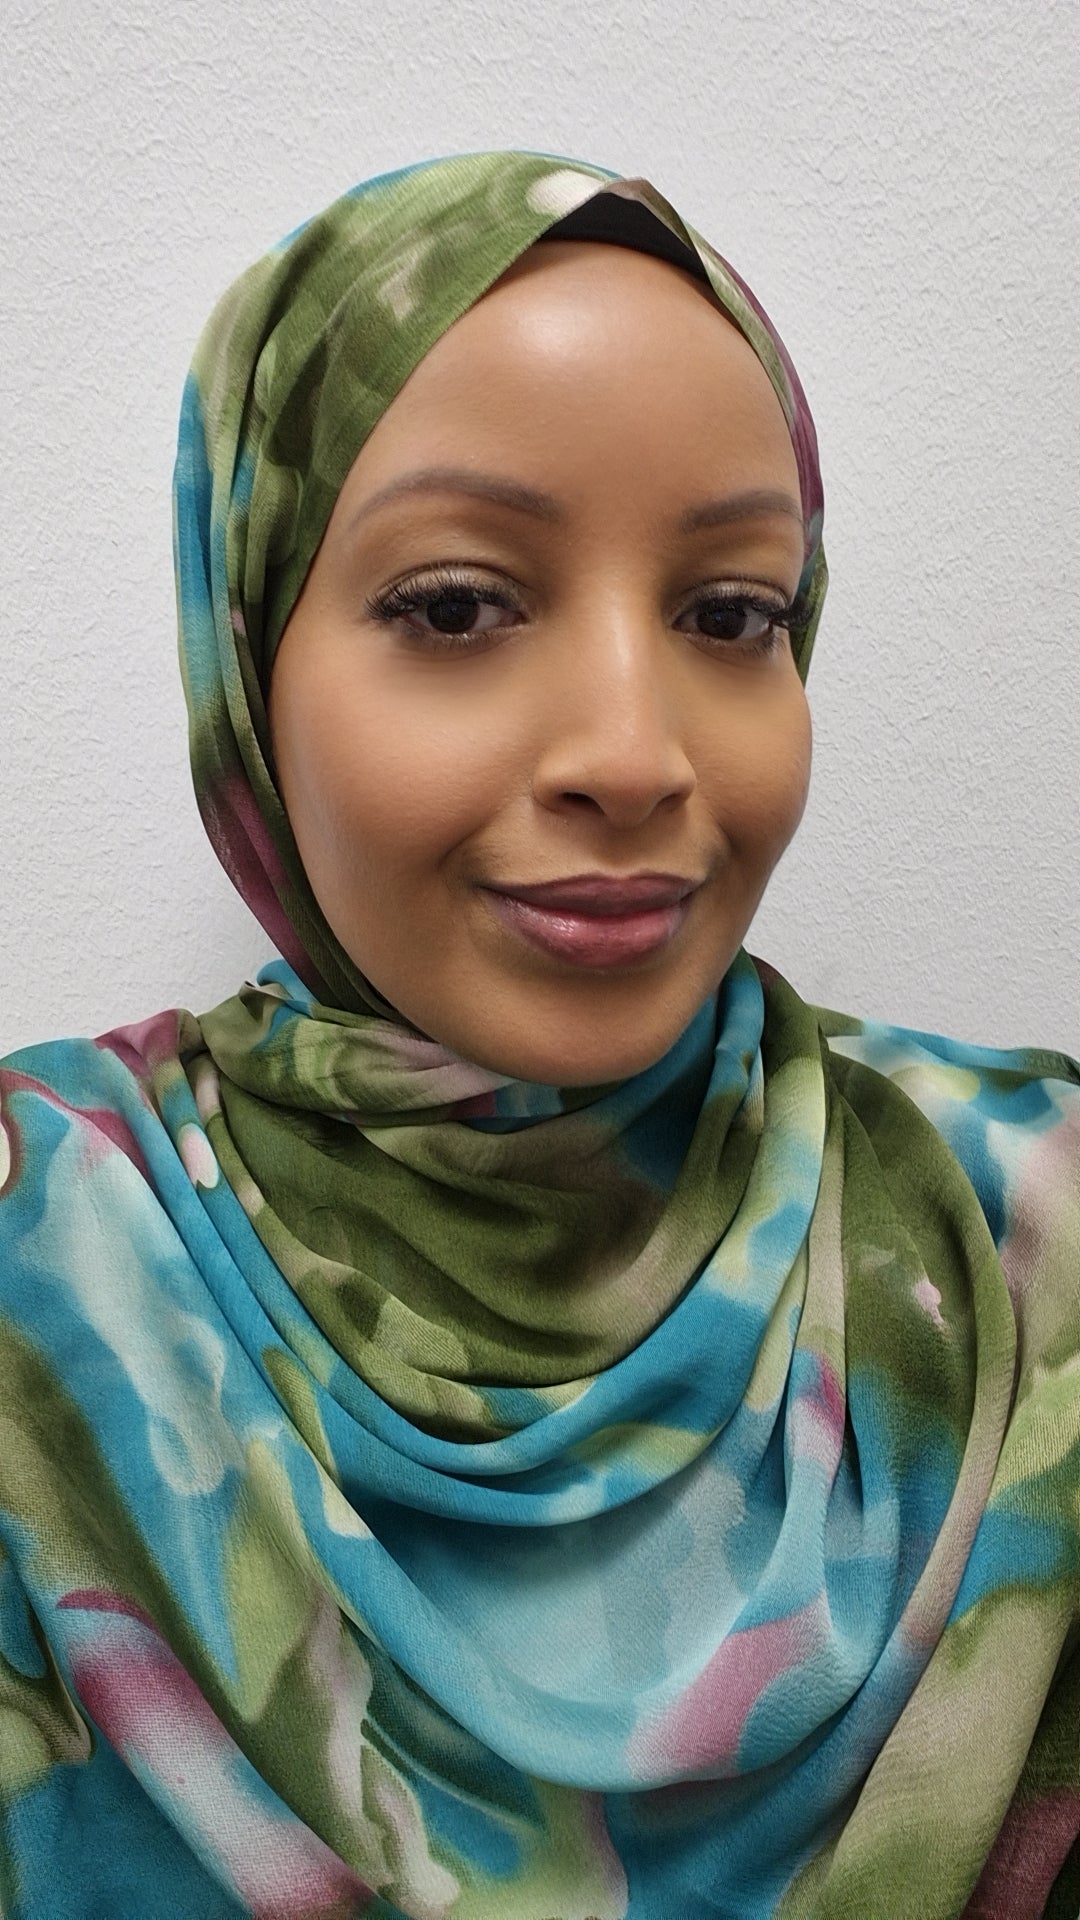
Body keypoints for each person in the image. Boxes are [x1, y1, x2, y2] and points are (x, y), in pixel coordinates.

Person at [0, 150, 1076, 1920]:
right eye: (457, 607)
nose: (635, 752)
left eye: (734, 615)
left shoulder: (1033, 1239)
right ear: (247, 649)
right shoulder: (49, 1253)